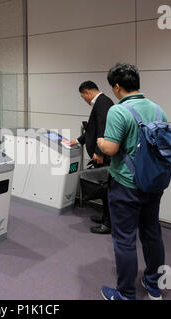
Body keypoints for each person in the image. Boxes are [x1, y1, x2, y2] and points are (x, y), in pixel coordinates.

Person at [97, 63, 167, 300]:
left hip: (126, 184)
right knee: (151, 233)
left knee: (124, 239)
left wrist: (99, 142)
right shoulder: (158, 110)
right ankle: (153, 286)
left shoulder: (119, 111)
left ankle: (125, 294)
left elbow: (112, 147)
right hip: (154, 183)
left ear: (117, 87)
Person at [63, 81, 113, 234]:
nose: (84, 99)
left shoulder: (102, 103)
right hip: (101, 154)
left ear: (87, 92)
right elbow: (93, 129)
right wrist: (77, 141)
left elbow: (104, 129)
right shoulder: (101, 102)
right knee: (105, 189)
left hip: (102, 155)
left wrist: (99, 152)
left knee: (106, 190)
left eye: (82, 96)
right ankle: (105, 216)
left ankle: (108, 223)